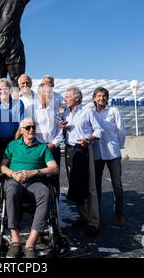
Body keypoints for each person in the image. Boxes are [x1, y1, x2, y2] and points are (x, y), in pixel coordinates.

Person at [0, 118, 59, 258]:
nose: (31, 129)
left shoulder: (42, 147)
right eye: (28, 127)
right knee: (11, 190)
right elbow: (2, 166)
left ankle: (30, 244)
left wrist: (34, 172)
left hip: (35, 182)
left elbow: (54, 168)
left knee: (45, 193)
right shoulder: (12, 145)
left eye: (33, 127)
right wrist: (13, 174)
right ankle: (15, 241)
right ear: (21, 131)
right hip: (15, 180)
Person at [60, 87, 102, 238]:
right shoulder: (66, 113)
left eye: (67, 97)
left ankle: (94, 223)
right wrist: (64, 129)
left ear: (76, 98)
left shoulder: (87, 111)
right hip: (70, 150)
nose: (65, 99)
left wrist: (88, 139)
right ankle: (84, 217)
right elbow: (66, 133)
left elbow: (98, 131)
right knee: (75, 186)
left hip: (83, 149)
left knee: (90, 187)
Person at [92, 87, 126, 228]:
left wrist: (119, 146)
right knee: (96, 186)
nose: (102, 98)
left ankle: (119, 215)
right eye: (99, 96)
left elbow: (121, 131)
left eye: (104, 96)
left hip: (113, 153)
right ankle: (96, 215)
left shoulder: (113, 111)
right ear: (94, 98)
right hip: (98, 154)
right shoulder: (91, 112)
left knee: (117, 186)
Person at [0, 78, 24, 203]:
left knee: (11, 171)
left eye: (5, 88)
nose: (2, 91)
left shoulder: (18, 103)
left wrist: (14, 141)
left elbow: (21, 125)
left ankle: (13, 199)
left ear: (10, 90)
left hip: (13, 141)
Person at [32, 83, 64, 192]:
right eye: (47, 92)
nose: (50, 95)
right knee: (40, 178)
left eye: (51, 92)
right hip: (38, 149)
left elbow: (60, 129)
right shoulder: (32, 110)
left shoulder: (56, 110)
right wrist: (41, 145)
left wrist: (54, 143)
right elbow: (30, 130)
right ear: (40, 94)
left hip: (53, 148)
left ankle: (56, 204)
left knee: (55, 178)